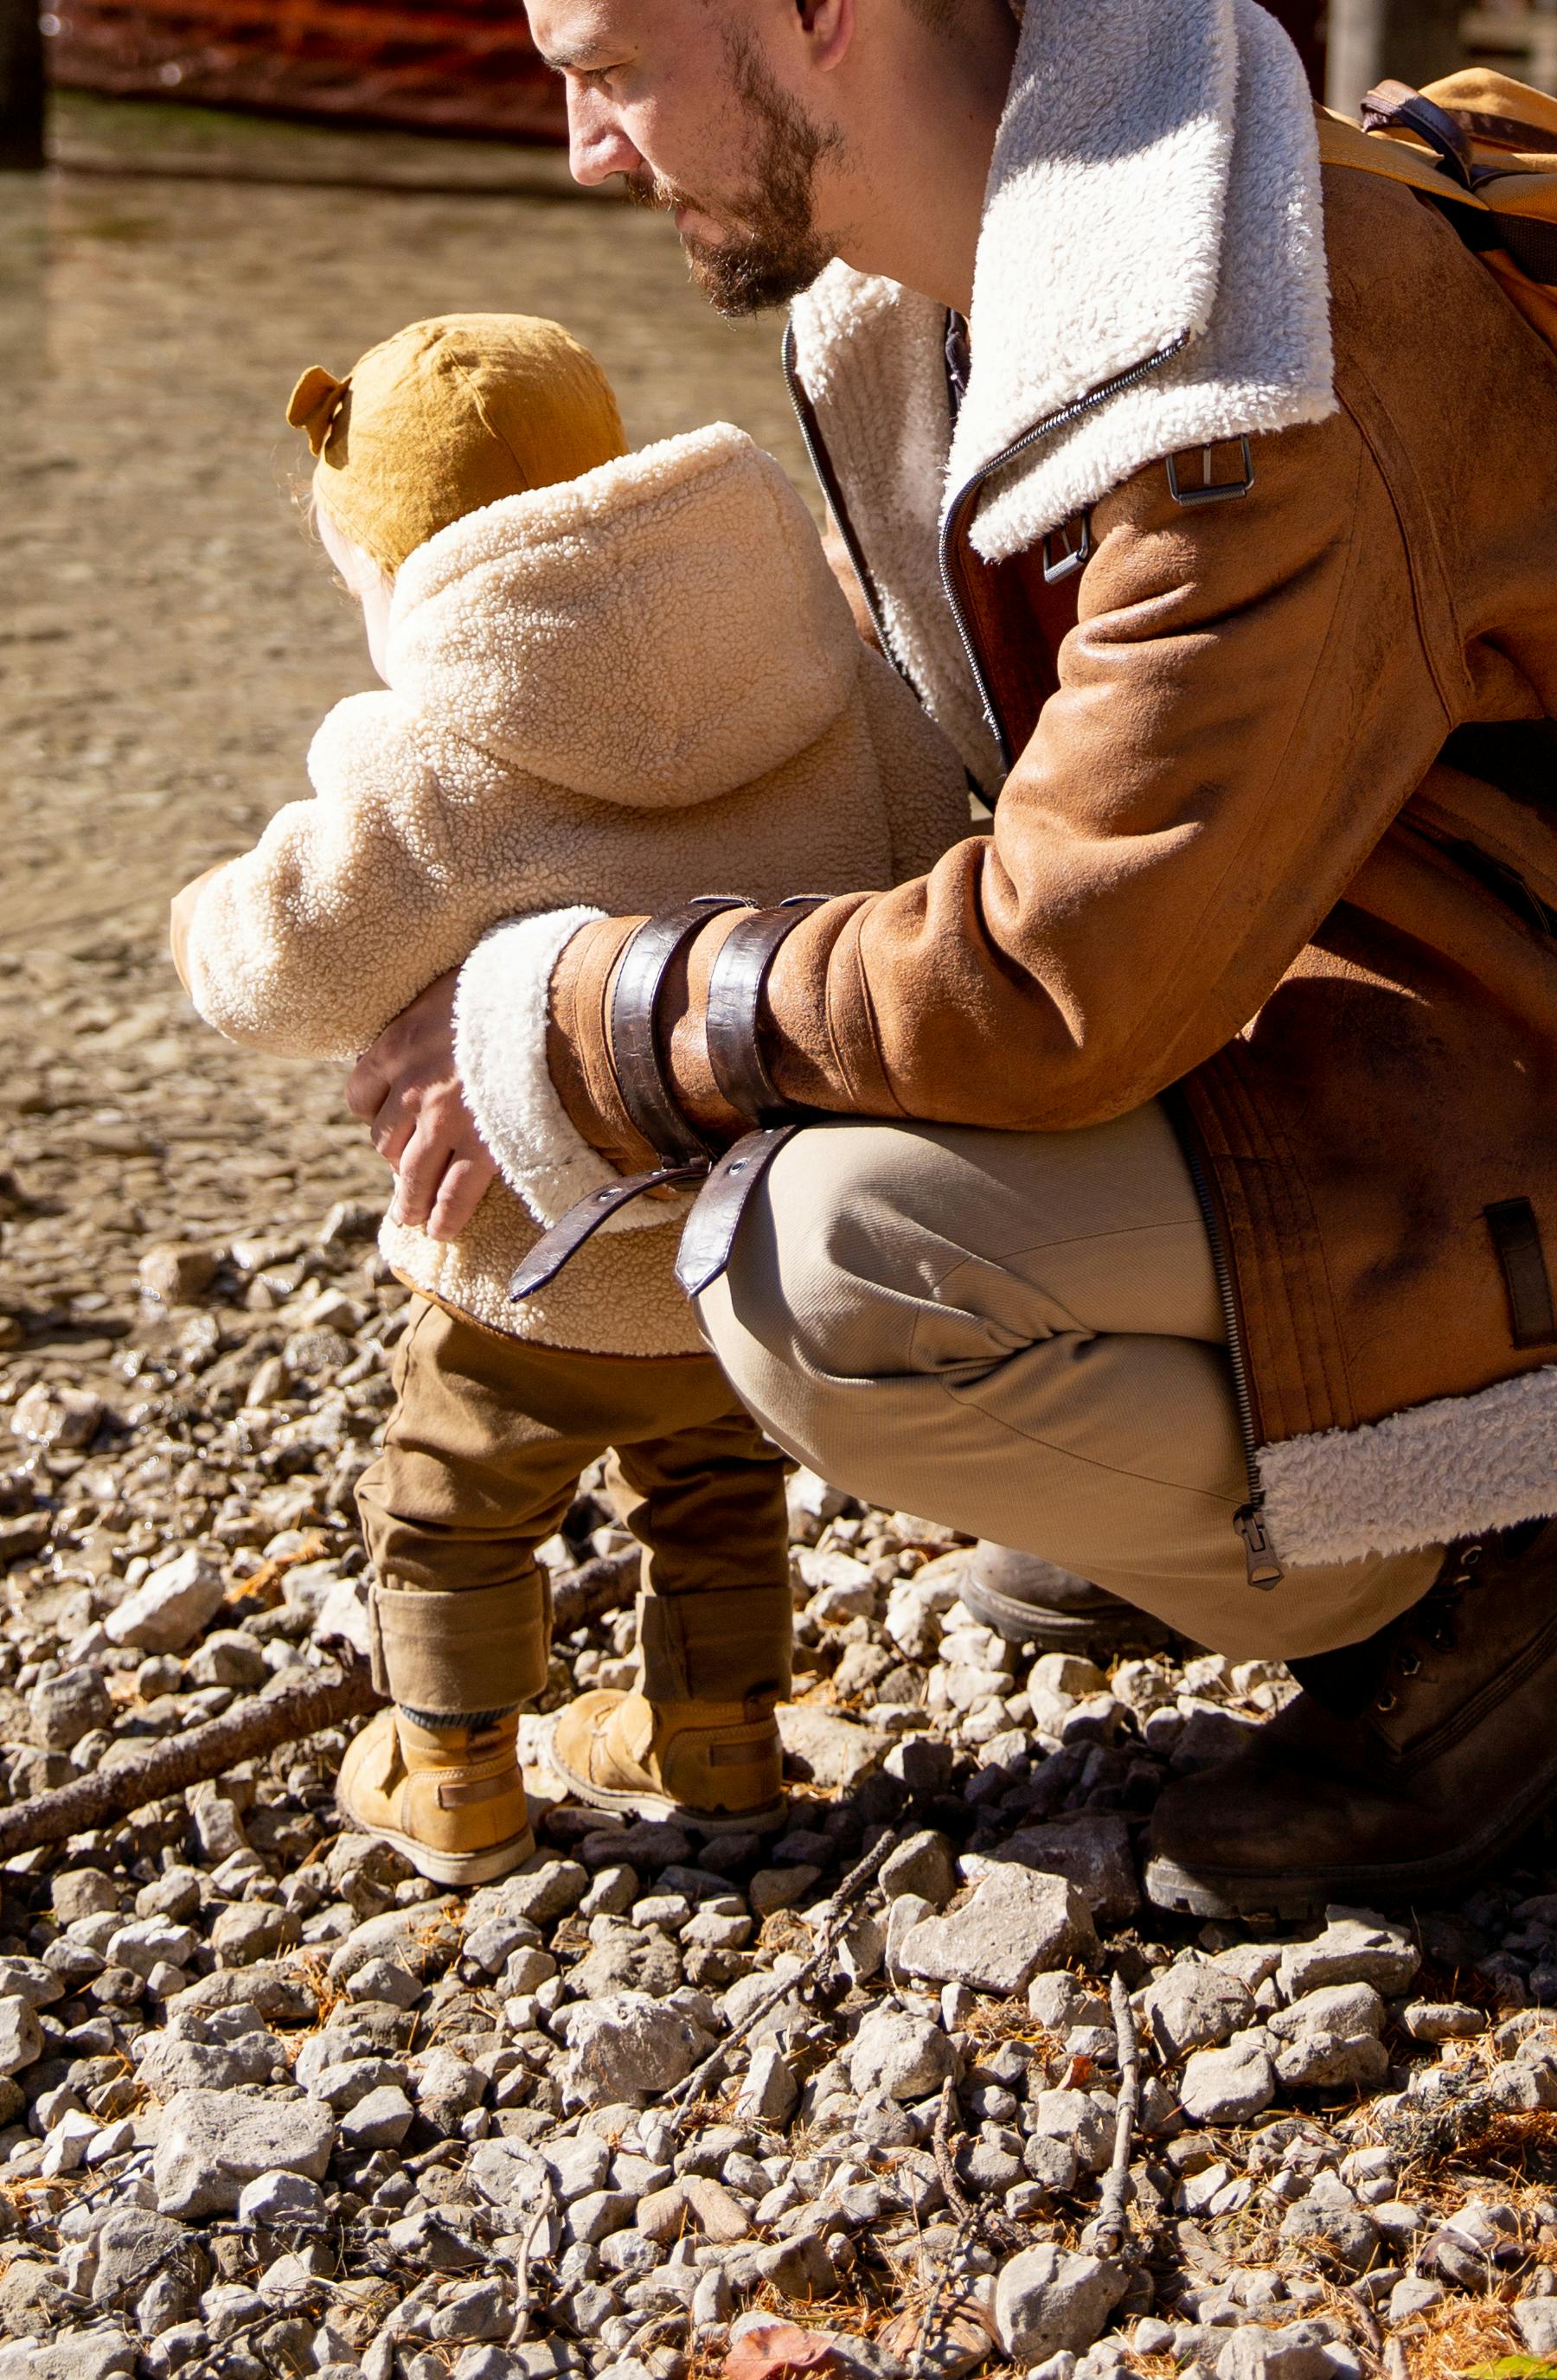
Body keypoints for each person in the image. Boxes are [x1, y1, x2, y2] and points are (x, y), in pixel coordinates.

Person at [343, 0, 1557, 1917]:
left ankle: (1499, 1617)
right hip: (1408, 982)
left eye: (606, 68)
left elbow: (1069, 984)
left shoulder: (1242, 382)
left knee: (823, 1272)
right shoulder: (947, 276)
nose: (584, 149)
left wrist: (584, 1017)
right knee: (785, 1101)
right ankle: (1290, 1469)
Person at [166, 305, 968, 1884]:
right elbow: (920, 842)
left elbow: (284, 972)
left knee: (451, 1495)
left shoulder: (434, 758)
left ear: (391, 572)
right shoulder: (817, 663)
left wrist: (197, 913)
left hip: (531, 1250)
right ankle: (718, 1735)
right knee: (719, 1484)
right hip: (744, 1224)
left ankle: (450, 1769)